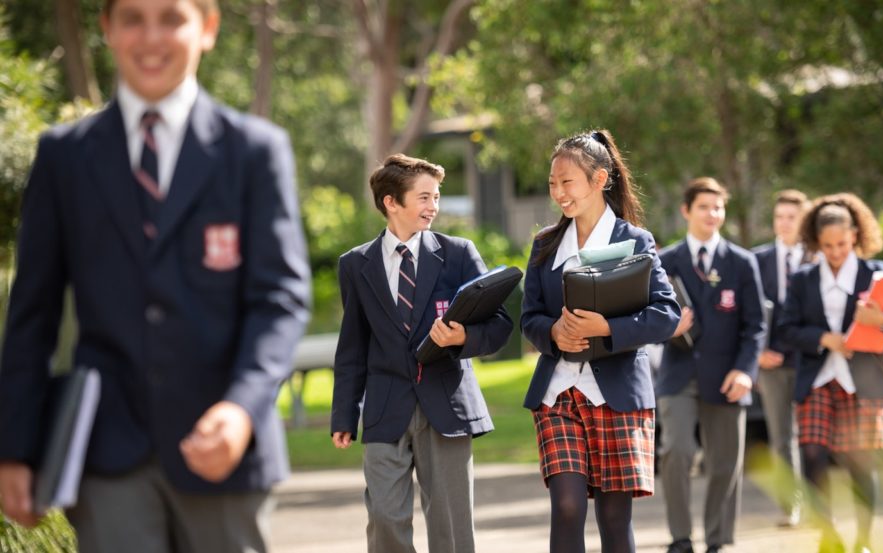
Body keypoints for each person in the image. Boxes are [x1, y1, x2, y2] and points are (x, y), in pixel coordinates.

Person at [0, 0, 311, 550]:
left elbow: (279, 301)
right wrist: (14, 449)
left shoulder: (255, 152)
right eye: (133, 19)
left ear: (208, 29)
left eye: (171, 18)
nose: (152, 37)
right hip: (107, 454)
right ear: (107, 30)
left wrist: (242, 407)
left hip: (224, 455)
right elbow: (32, 315)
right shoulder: (64, 158)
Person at [330, 153, 513, 553]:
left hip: (447, 405)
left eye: (437, 197)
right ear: (391, 202)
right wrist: (344, 412)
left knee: (450, 525)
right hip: (383, 408)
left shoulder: (458, 253)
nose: (435, 207)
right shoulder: (355, 265)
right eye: (425, 197)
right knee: (384, 517)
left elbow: (499, 325)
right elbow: (352, 346)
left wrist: (461, 338)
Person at [521, 129, 680, 553]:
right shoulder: (544, 246)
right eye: (553, 182)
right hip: (558, 394)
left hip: (618, 395)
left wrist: (606, 329)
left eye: (566, 181)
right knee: (568, 506)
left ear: (599, 179)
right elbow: (529, 318)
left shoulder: (635, 242)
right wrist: (552, 332)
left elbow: (667, 315)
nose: (558, 192)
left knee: (614, 516)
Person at [777, 193, 883, 553]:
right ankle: (829, 534)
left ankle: (863, 542)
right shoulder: (805, 278)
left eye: (841, 243)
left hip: (864, 381)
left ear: (855, 235)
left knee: (861, 463)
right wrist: (823, 337)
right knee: (811, 453)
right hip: (819, 376)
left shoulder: (876, 272)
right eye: (827, 246)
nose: (836, 252)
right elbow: (786, 328)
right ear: (816, 242)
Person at [656, 177, 766, 553]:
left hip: (727, 376)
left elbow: (756, 326)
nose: (712, 214)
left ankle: (717, 540)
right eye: (704, 206)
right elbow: (645, 321)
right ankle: (680, 538)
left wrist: (745, 371)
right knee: (678, 451)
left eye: (718, 207)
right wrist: (667, 328)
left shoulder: (742, 263)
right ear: (686, 210)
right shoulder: (664, 261)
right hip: (678, 375)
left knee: (724, 464)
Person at [751, 189, 811, 528]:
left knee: (815, 437)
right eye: (779, 217)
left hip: (810, 363)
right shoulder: (757, 260)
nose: (784, 223)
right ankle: (792, 507)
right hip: (771, 364)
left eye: (791, 217)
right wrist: (757, 355)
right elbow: (748, 314)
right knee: (781, 437)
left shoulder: (818, 259)